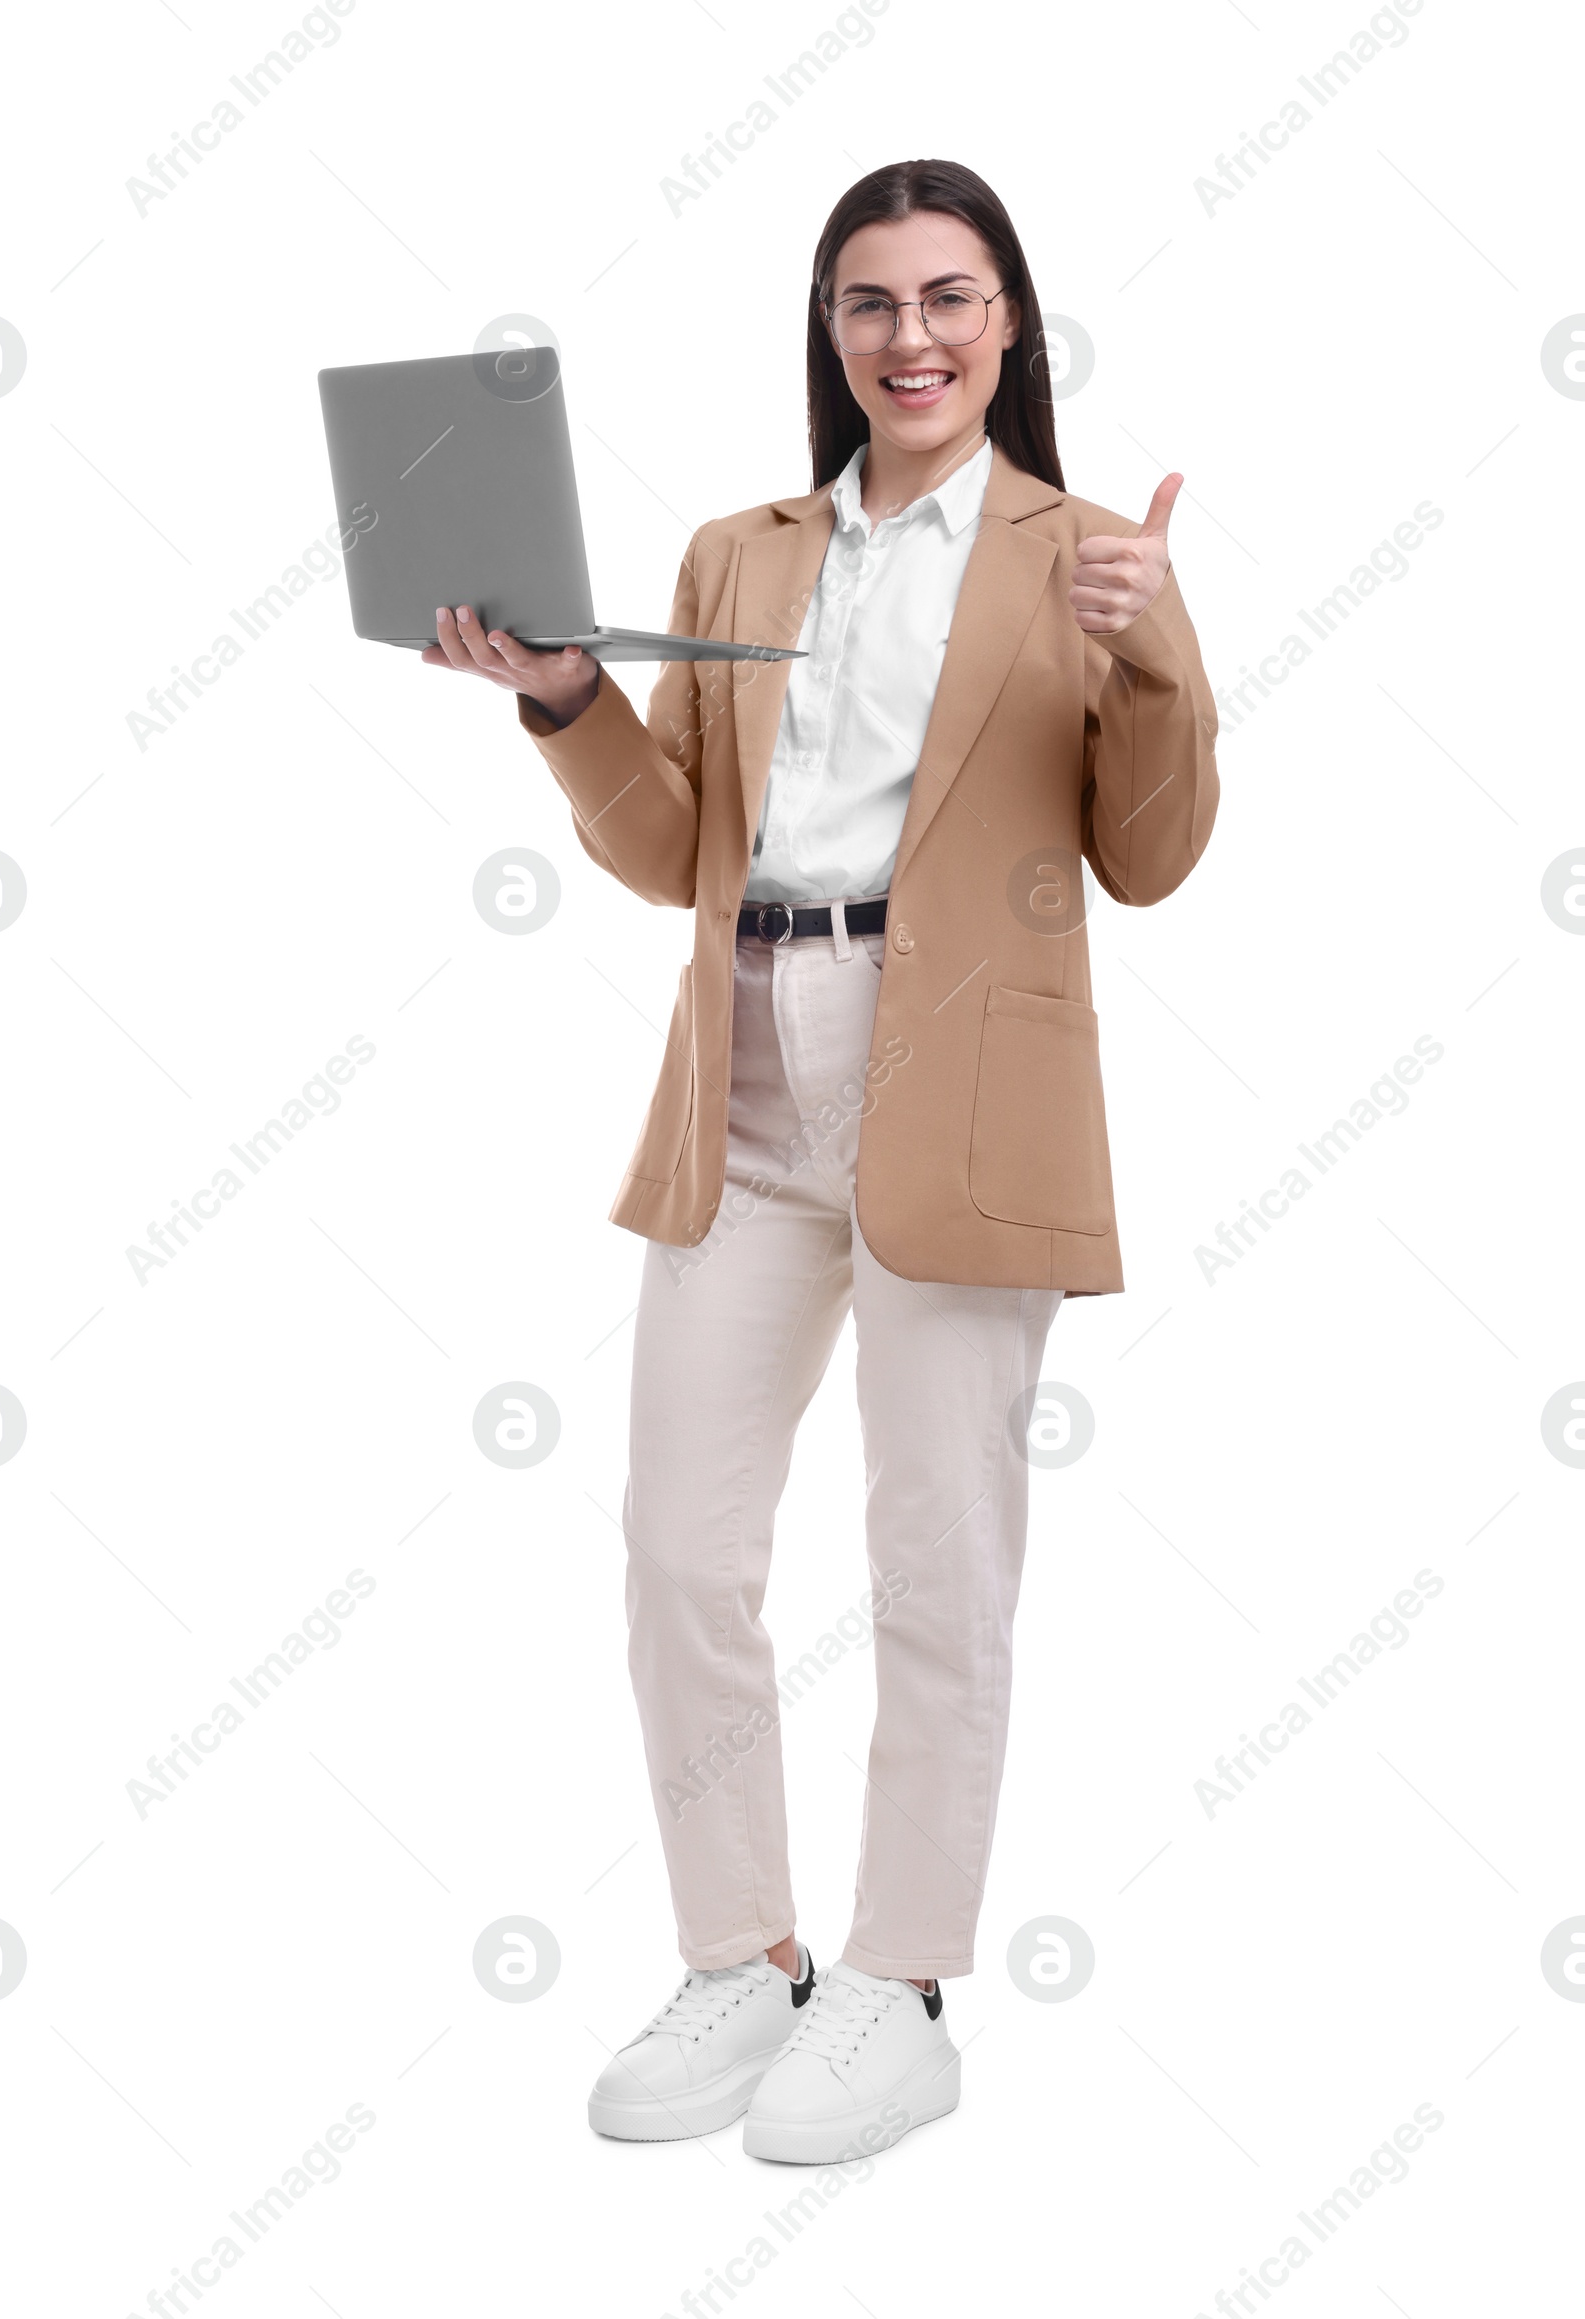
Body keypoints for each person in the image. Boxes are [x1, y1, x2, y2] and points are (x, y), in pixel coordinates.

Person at [422, 157, 1219, 2162]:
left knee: (936, 1561)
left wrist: (1156, 648)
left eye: (949, 298)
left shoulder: (1090, 553)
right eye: (869, 302)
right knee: (679, 1547)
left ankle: (898, 1980)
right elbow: (661, 844)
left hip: (961, 1081)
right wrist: (560, 696)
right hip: (747, 1084)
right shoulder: (736, 556)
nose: (911, 336)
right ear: (829, 330)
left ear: (1009, 323)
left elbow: (1148, 850)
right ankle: (741, 1955)